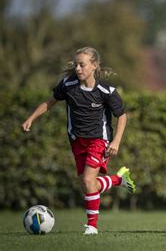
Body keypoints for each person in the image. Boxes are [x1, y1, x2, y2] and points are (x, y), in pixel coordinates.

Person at [21, 46, 136, 235]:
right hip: (77, 141)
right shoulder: (68, 85)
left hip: (99, 141)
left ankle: (92, 226)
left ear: (94, 66)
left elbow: (122, 116)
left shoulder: (106, 91)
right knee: (86, 184)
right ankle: (118, 179)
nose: (78, 68)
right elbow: (50, 102)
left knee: (89, 180)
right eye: (76, 65)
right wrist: (30, 118)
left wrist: (115, 142)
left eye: (82, 65)